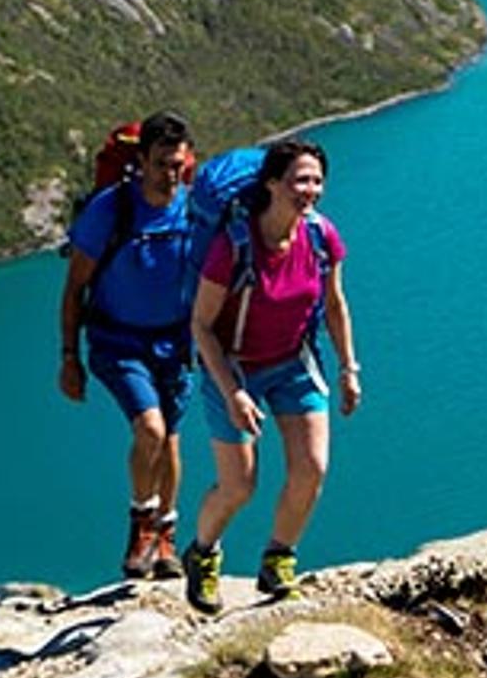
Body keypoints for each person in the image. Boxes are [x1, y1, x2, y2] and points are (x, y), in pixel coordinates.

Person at [184, 139, 361, 613]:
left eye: (317, 181)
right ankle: (202, 553)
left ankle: (279, 558)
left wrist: (348, 367)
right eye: (299, 180)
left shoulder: (321, 237)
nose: (311, 191)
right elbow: (200, 324)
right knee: (239, 485)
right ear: (271, 184)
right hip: (234, 367)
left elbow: (334, 305)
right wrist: (233, 391)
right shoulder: (234, 246)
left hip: (294, 362)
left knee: (312, 468)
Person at [56, 113, 212, 584]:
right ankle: (141, 522)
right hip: (117, 339)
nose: (171, 174)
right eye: (162, 163)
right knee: (151, 428)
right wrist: (69, 358)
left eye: (179, 165)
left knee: (171, 439)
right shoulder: (112, 209)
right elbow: (74, 287)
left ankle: (166, 533)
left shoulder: (194, 210)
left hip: (174, 341)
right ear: (140, 161)